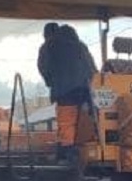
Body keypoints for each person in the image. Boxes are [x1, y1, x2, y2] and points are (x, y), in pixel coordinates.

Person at [37, 23, 97, 164]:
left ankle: (67, 154)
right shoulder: (81, 46)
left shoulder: (49, 46)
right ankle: (82, 149)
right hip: (86, 90)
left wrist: (51, 82)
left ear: (46, 34)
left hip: (64, 90)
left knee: (66, 121)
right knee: (84, 120)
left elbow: (43, 67)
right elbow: (92, 67)